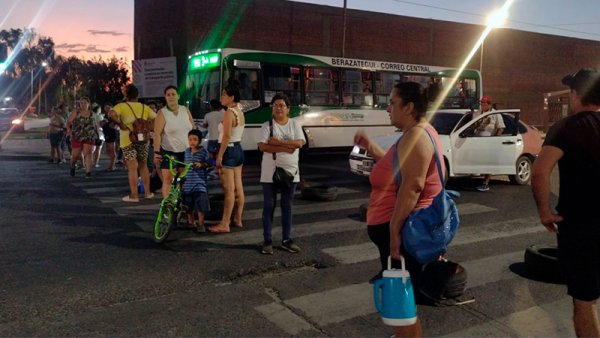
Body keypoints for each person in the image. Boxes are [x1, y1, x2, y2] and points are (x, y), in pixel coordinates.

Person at [354, 82, 445, 337]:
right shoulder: (415, 133)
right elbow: (395, 168)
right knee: (403, 304)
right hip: (401, 233)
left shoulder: (416, 136)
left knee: (401, 308)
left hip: (403, 234)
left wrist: (394, 231)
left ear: (409, 107)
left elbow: (413, 186)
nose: (388, 109)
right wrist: (370, 147)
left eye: (392, 103)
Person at [531, 68, 600, 337]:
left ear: (576, 95)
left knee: (584, 301)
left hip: (582, 228)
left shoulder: (567, 127)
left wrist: (544, 211)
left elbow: (539, 171)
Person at [258, 93, 305, 254]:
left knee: (287, 207)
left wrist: (278, 142)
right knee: (269, 206)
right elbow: (263, 147)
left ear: (288, 109)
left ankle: (286, 240)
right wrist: (287, 147)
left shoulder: (294, 124)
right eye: (275, 106)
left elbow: (300, 143)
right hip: (269, 173)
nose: (278, 108)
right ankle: (267, 240)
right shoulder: (267, 125)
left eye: (281, 106)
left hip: (291, 173)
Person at [109, 84, 157, 202]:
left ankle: (134, 195)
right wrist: (149, 128)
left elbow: (111, 114)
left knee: (132, 167)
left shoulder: (121, 106)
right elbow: (156, 118)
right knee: (143, 165)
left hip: (128, 140)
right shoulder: (144, 107)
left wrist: (120, 124)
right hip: (143, 140)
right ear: (137, 95)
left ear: (126, 95)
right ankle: (147, 192)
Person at [209, 82, 245, 233]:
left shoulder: (229, 113)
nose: (221, 97)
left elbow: (226, 136)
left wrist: (219, 156)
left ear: (231, 97)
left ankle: (225, 223)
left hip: (229, 151)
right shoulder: (239, 111)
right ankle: (237, 219)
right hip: (238, 149)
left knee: (229, 189)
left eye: (224, 94)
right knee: (238, 187)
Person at [152, 85, 195, 199]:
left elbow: (193, 129)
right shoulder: (162, 113)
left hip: (186, 151)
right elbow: (157, 134)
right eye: (168, 95)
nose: (171, 97)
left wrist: (197, 148)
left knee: (182, 179)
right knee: (168, 179)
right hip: (170, 152)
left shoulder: (185, 110)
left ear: (178, 96)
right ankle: (167, 205)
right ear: (165, 97)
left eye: (173, 94)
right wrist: (156, 152)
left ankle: (179, 204)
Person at [472, 95, 505, 192]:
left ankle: (486, 183)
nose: (482, 105)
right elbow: (472, 126)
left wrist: (496, 140)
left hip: (489, 141)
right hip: (476, 141)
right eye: (481, 103)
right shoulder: (477, 114)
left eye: (484, 103)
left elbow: (501, 128)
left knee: (487, 162)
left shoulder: (496, 114)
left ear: (489, 104)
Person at [183, 129, 211, 233]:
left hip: (199, 184)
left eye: (195, 139)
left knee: (200, 205)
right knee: (188, 205)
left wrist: (202, 164)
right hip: (187, 184)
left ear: (199, 141)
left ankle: (201, 224)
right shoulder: (186, 152)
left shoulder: (203, 151)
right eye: (190, 139)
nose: (192, 142)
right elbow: (183, 166)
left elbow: (209, 163)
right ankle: (191, 222)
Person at [66, 97, 98, 178]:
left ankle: (88, 173)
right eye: (81, 103)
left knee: (88, 154)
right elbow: (68, 122)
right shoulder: (75, 113)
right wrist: (69, 130)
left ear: (88, 104)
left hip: (89, 136)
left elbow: (96, 125)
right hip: (77, 136)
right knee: (75, 155)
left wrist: (98, 134)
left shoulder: (92, 114)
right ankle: (72, 166)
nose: (83, 104)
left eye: (85, 103)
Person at [203, 99, 225, 179]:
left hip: (212, 138)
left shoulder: (208, 115)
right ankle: (219, 169)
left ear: (211, 106)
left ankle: (212, 169)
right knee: (219, 154)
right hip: (220, 138)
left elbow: (204, 125)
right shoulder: (222, 114)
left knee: (211, 155)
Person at [100, 103, 118, 171]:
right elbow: (102, 124)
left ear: (111, 108)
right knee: (108, 150)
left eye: (108, 107)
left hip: (112, 134)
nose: (106, 109)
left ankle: (112, 166)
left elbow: (116, 124)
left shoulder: (113, 115)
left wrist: (113, 124)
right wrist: (102, 124)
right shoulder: (105, 116)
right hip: (106, 134)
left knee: (112, 150)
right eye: (105, 107)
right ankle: (112, 164)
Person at [91, 103, 104, 168]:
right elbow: (101, 125)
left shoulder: (91, 115)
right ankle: (96, 163)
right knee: (98, 149)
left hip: (91, 134)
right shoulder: (99, 116)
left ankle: (89, 161)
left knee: (92, 149)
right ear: (98, 109)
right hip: (99, 134)